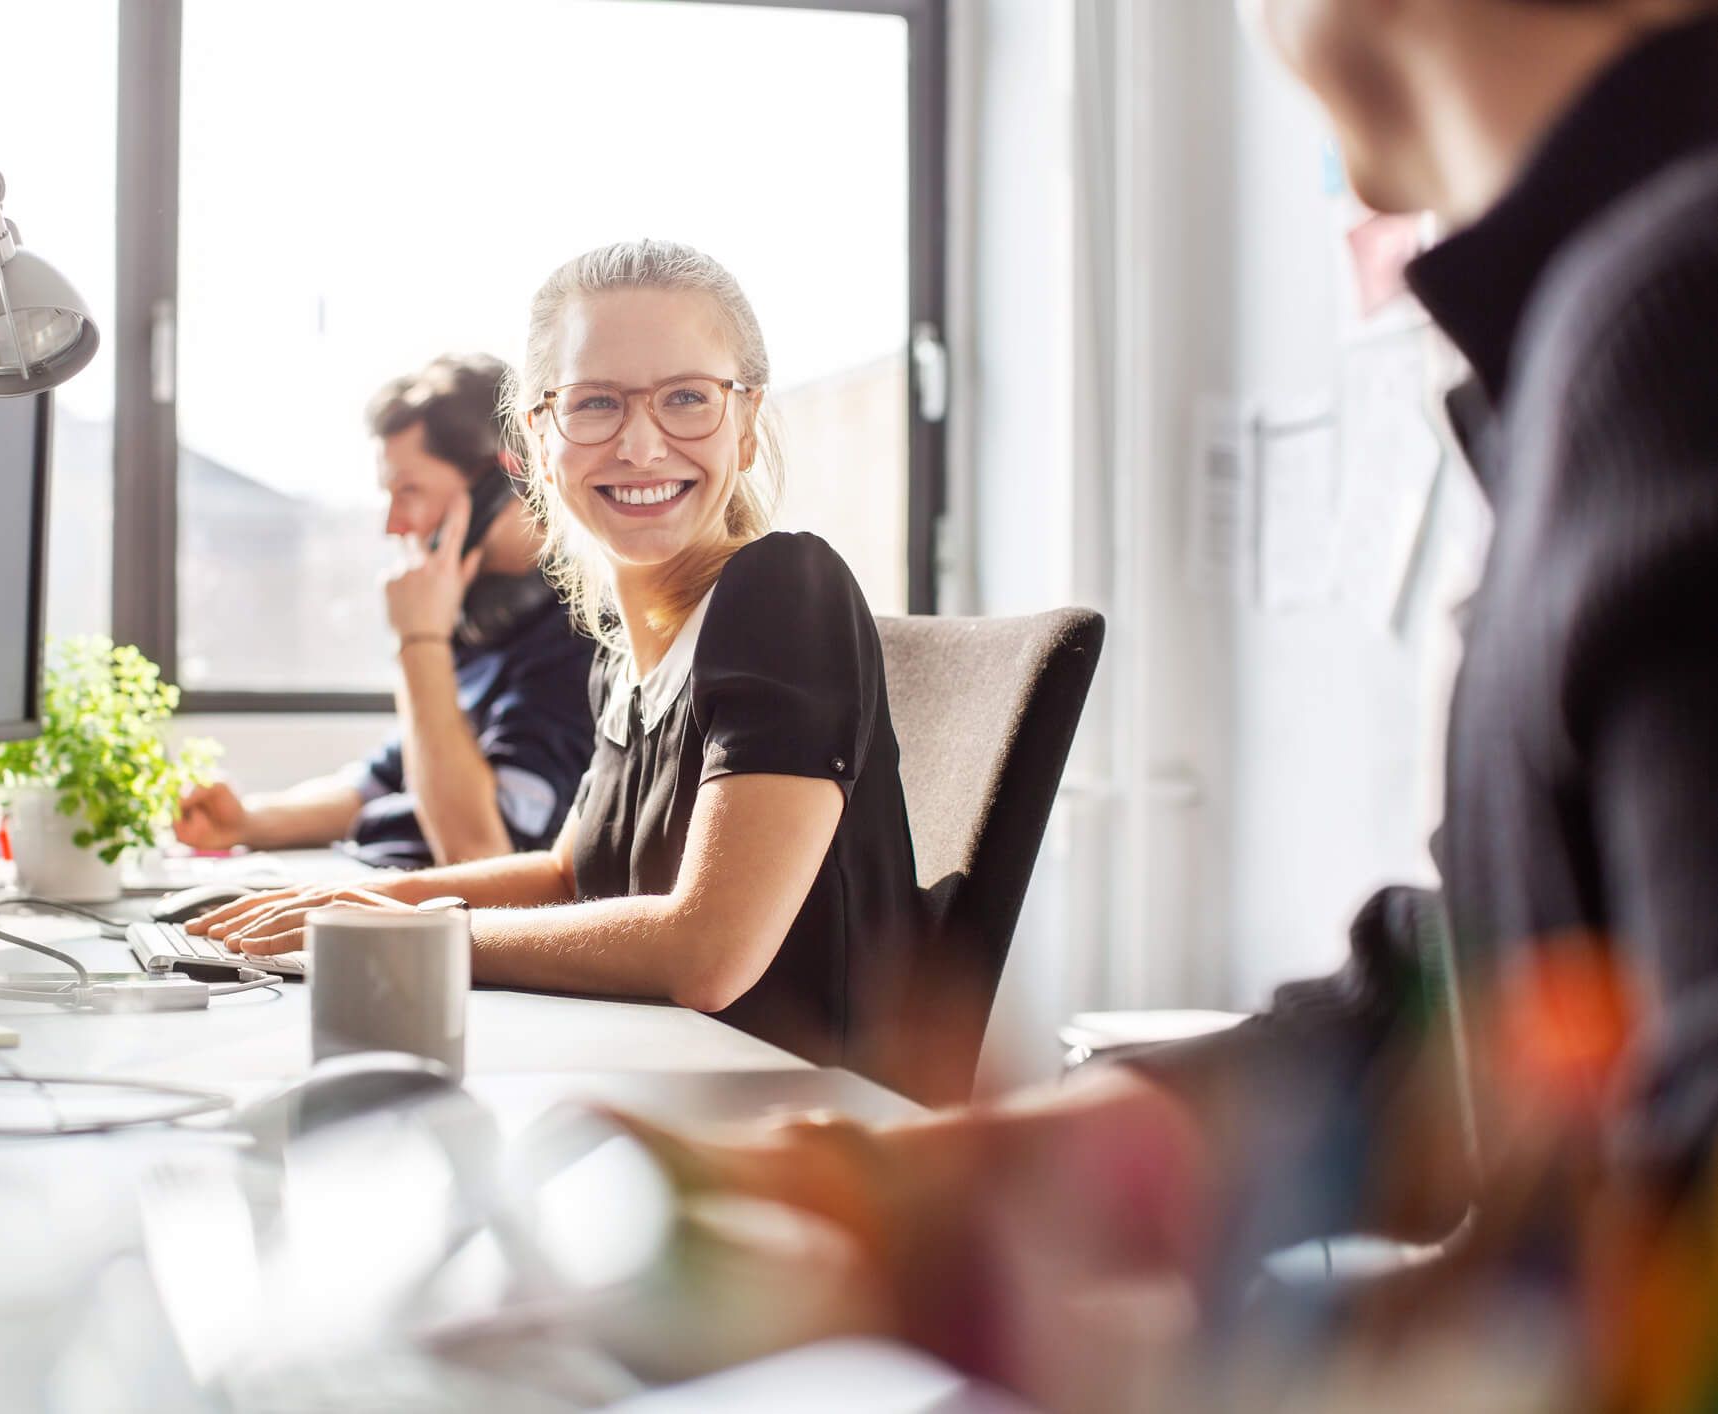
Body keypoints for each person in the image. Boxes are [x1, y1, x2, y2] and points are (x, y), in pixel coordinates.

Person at [566, 0, 1718, 1404]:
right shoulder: (1599, 327)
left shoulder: (1674, 317)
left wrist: (1150, 1364)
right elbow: (1481, 988)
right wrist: (924, 1177)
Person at [193, 241, 927, 1069]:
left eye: (687, 398)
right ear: (540, 441)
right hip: (652, 1087)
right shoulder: (624, 650)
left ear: (747, 426)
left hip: (801, 1137)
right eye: (595, 404)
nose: (642, 446)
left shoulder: (784, 590)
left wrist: (431, 931)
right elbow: (565, 875)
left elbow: (710, 952)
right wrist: (356, 903)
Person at [174, 354, 594, 870]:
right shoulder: (479, 618)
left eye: (409, 491)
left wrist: (420, 641)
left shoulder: (582, 637)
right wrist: (249, 823)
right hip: (376, 882)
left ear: (503, 479)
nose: (393, 526)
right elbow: (380, 784)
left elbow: (479, 854)